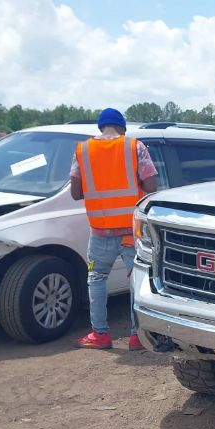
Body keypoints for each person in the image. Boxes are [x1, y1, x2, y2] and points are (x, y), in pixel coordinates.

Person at [69, 108, 158, 350]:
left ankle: (100, 335)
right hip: (131, 232)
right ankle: (136, 336)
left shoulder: (83, 150)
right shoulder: (134, 147)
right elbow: (151, 185)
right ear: (122, 127)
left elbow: (76, 193)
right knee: (138, 283)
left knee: (96, 279)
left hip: (99, 232)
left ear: (100, 127)